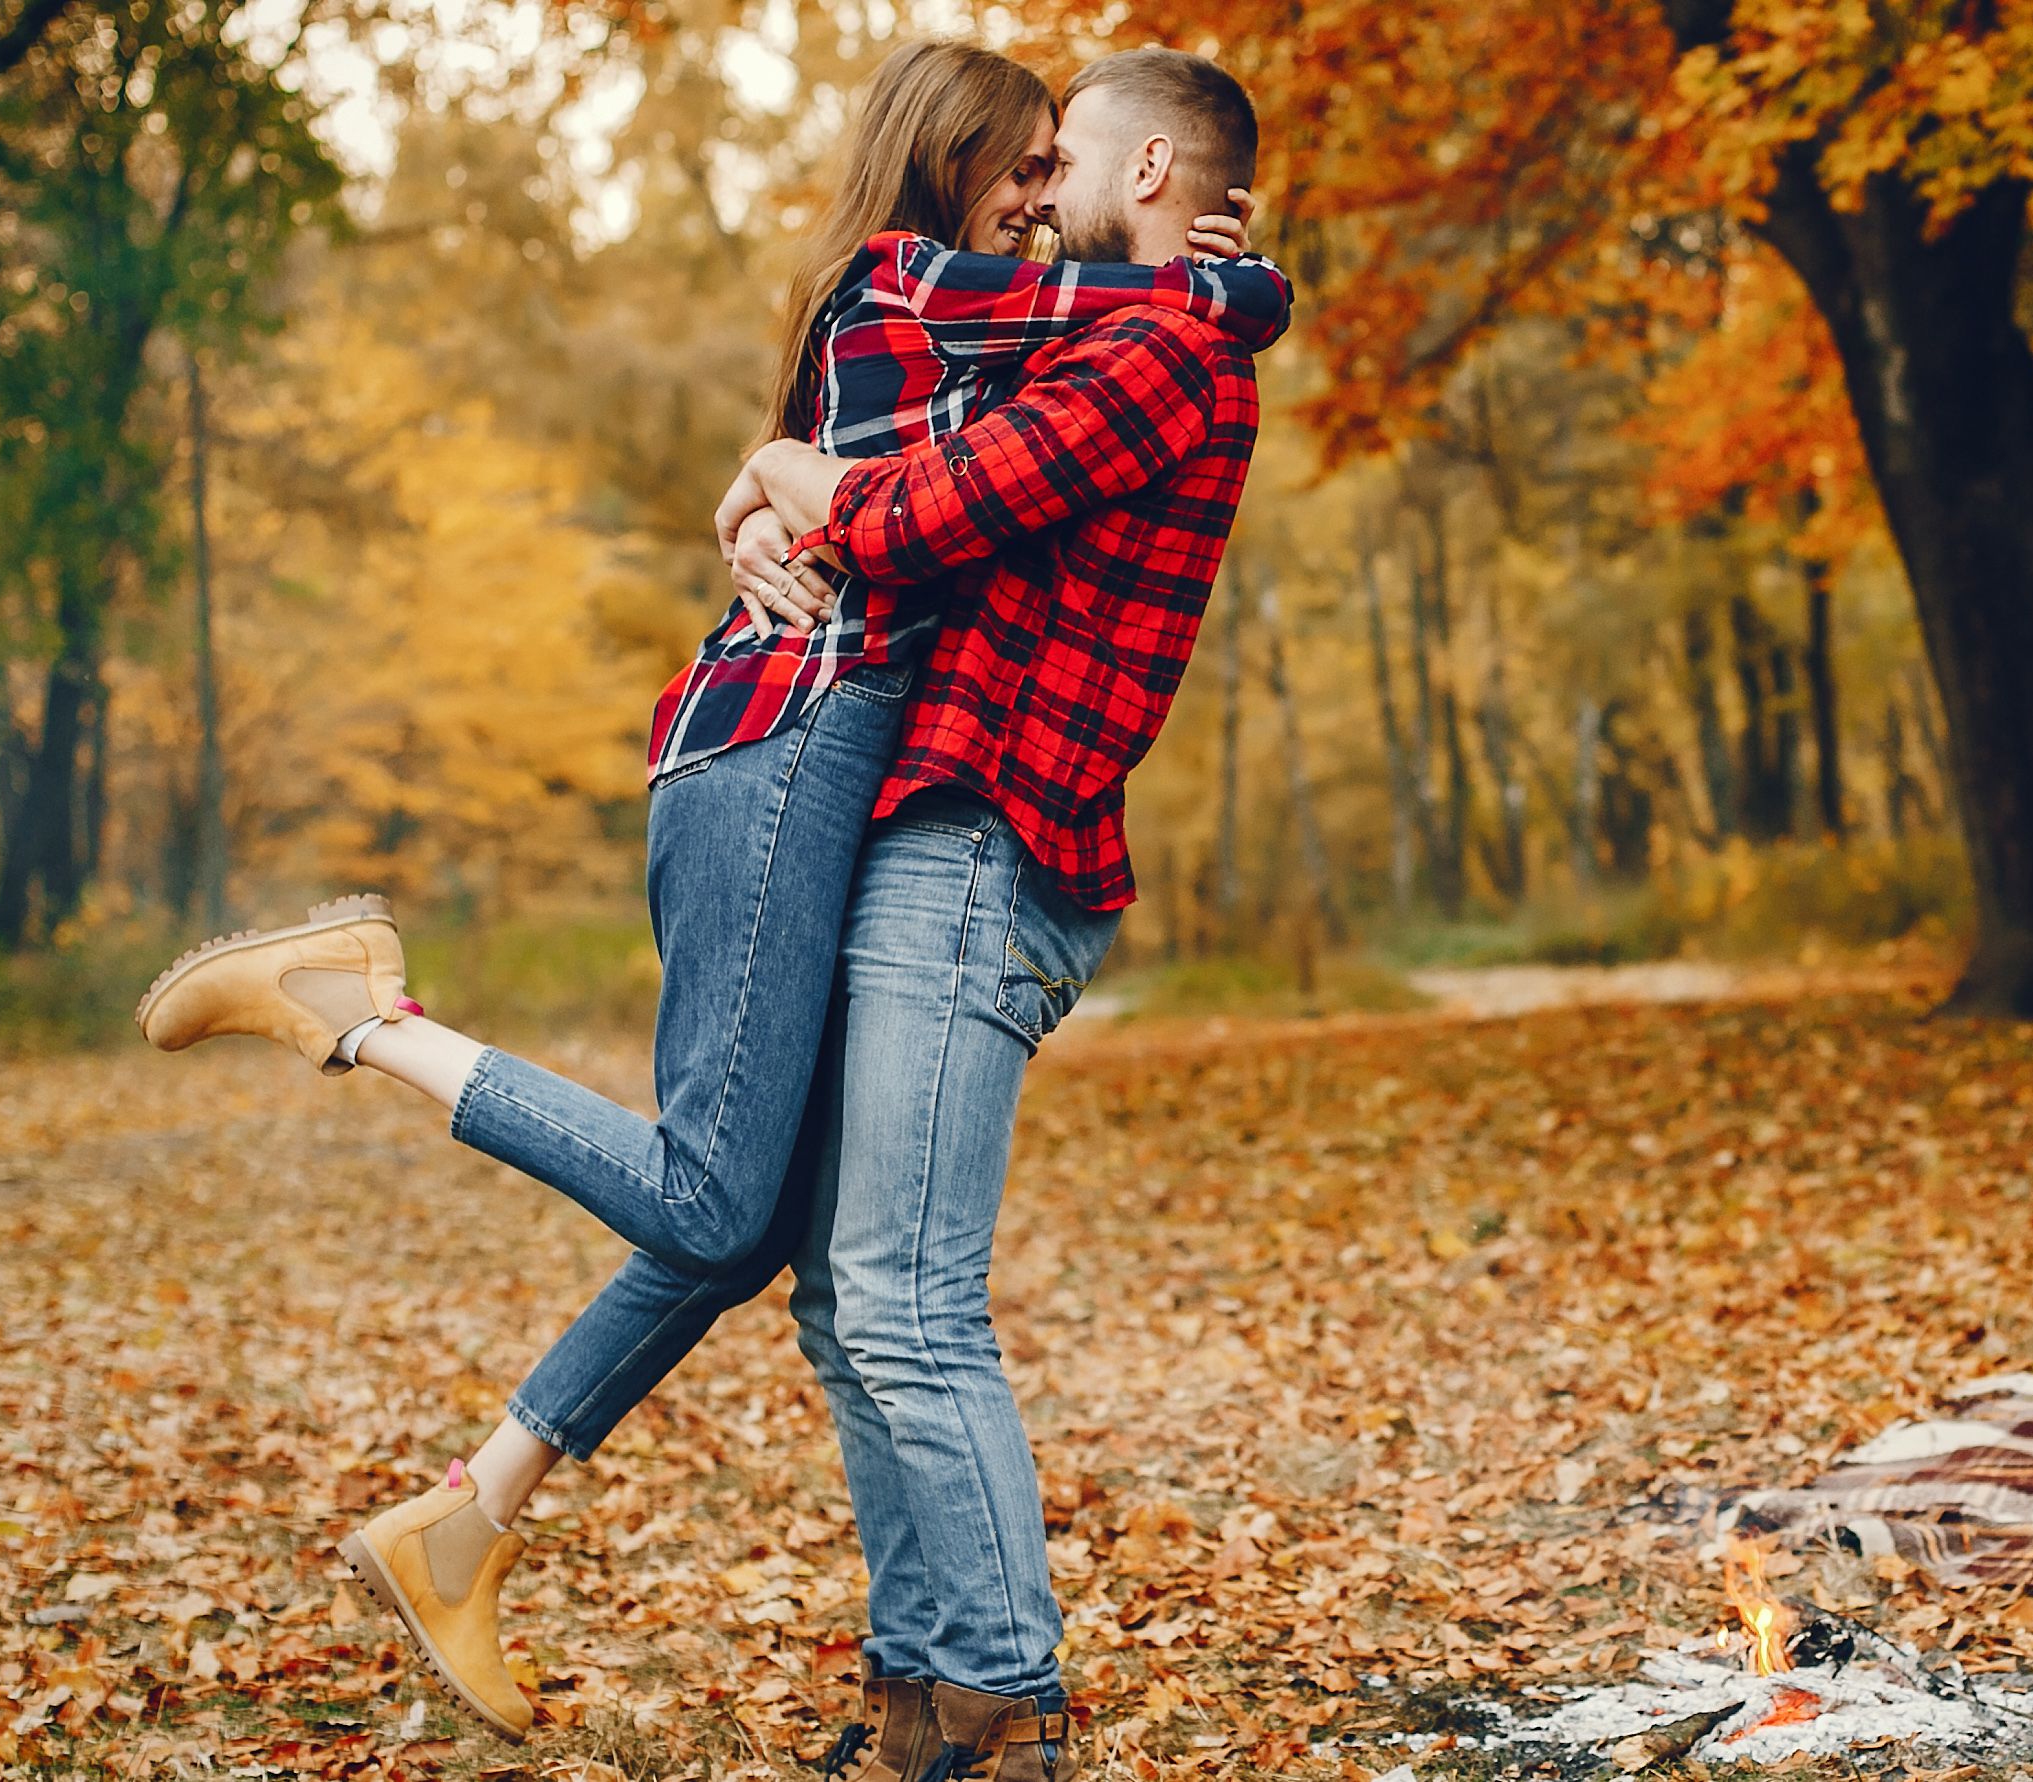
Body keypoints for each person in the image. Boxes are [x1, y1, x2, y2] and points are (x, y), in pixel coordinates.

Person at [128, 40, 1287, 1757]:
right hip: (869, 798)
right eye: (1019, 174)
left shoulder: (1168, 342)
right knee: (804, 1266)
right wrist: (772, 471)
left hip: (982, 836)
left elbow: (926, 502)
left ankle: (994, 1705)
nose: (1040, 208)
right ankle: (921, 1691)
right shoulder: (1007, 309)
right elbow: (898, 411)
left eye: (1066, 171)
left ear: (1141, 180)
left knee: (866, 1282)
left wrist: (783, 473)